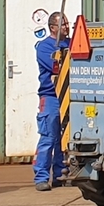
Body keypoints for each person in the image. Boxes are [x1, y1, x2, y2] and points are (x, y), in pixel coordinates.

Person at [34, 12, 69, 191]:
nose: (67, 27)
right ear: (52, 28)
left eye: (67, 24)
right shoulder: (44, 47)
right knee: (49, 137)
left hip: (69, 97)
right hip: (51, 97)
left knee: (64, 138)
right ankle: (41, 176)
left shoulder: (71, 43)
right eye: (63, 24)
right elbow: (57, 67)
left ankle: (61, 174)